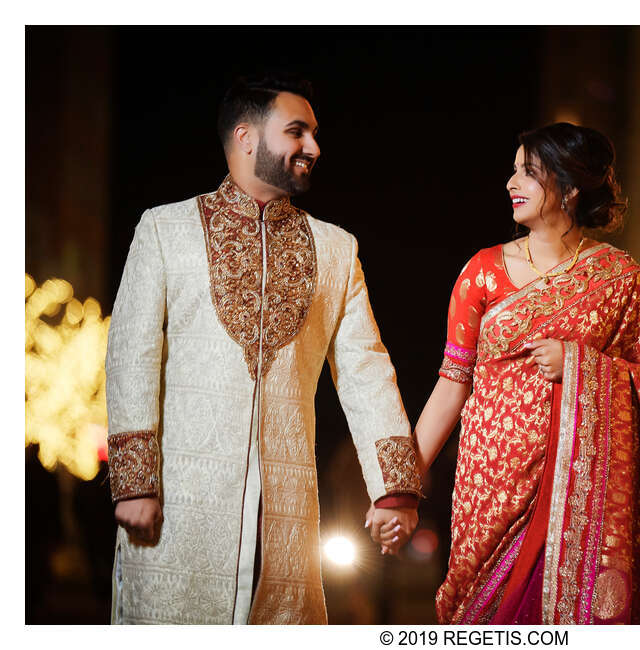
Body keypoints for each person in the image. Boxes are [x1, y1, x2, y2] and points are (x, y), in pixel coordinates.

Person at [106, 72, 422, 625]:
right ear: (247, 137)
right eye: (297, 131)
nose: (314, 147)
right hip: (178, 507)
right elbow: (130, 355)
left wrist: (394, 490)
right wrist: (134, 483)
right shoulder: (165, 229)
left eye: (316, 133)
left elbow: (365, 369)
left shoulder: (335, 249)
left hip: (286, 509)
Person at [372, 123, 640, 624]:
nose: (512, 183)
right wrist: (400, 491)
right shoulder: (482, 271)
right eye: (513, 171)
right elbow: (451, 388)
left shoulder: (619, 279)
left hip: (579, 504)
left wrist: (579, 366)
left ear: (571, 187)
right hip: (488, 489)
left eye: (529, 173)